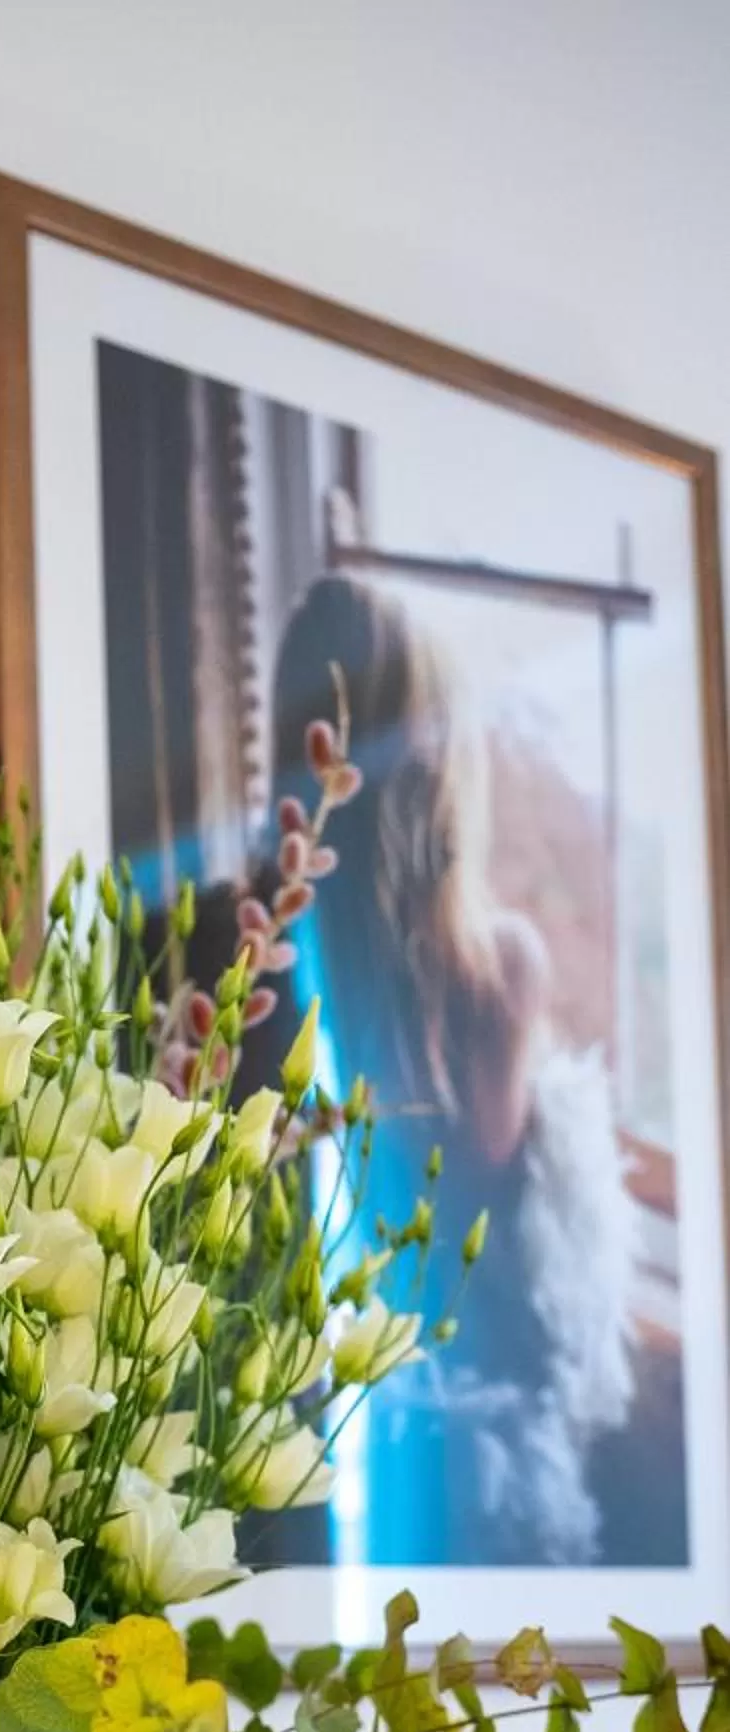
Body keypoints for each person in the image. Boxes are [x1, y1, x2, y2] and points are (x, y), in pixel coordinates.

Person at [262, 571, 643, 1567]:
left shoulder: (256, 960)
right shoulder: (494, 975)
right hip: (474, 1463)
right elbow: (475, 1189)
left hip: (318, 1455)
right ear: (437, 765)